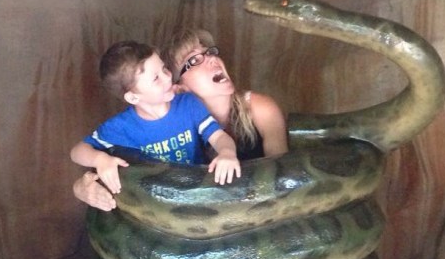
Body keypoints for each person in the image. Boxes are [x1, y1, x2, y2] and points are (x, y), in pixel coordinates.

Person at [73, 30, 288, 211]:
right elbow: (96, 160)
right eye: (193, 60)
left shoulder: (256, 108)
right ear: (178, 87)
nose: (212, 58)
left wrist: (227, 153)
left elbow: (282, 178)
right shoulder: (156, 117)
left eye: (209, 52)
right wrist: (83, 185)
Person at [70, 40, 241, 196]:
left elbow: (218, 137)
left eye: (164, 69)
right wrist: (100, 159)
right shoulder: (120, 127)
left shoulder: (188, 104)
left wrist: (227, 152)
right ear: (133, 97)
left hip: (198, 189)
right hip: (154, 197)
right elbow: (77, 152)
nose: (168, 77)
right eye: (156, 78)